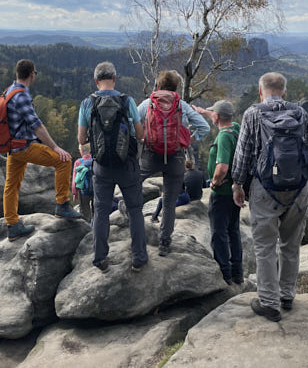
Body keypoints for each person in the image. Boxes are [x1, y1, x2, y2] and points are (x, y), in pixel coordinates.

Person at [231, 72, 308, 322]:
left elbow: (243, 154)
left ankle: (269, 302)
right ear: (284, 92)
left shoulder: (253, 113)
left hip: (265, 189)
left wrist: (237, 185)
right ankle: (287, 295)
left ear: (261, 91)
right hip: (298, 189)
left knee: (265, 246)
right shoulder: (300, 113)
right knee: (291, 244)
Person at [77, 61, 148, 273]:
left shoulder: (87, 103)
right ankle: (139, 258)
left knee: (100, 210)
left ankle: (100, 259)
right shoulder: (127, 101)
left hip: (101, 166)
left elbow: (82, 138)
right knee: (135, 210)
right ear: (115, 79)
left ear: (96, 81)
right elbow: (141, 134)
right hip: (128, 165)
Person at [2, 59, 82, 242]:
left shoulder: (9, 90)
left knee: (11, 186)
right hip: (23, 147)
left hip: (12, 147)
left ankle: (12, 226)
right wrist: (55, 147)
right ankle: (62, 205)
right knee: (64, 160)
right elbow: (36, 125)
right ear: (32, 74)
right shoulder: (21, 96)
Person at [137, 70, 210, 256]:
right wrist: (188, 139)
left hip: (151, 155)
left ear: (158, 86)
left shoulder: (148, 103)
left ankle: (129, 215)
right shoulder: (182, 105)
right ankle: (164, 243)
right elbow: (205, 127)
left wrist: (143, 139)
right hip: (176, 157)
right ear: (176, 87)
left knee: (133, 183)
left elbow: (133, 125)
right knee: (169, 202)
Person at [198, 100, 243, 285]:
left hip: (222, 192)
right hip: (235, 189)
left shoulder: (224, 137)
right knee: (233, 230)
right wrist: (203, 111)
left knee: (219, 233)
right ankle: (237, 272)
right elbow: (220, 115)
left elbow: (222, 167)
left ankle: (224, 274)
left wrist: (214, 183)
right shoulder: (237, 128)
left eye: (213, 113)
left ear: (217, 117)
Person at [72, 143, 94, 222]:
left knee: (85, 210)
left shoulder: (78, 162)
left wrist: (75, 193)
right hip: (96, 189)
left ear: (81, 150)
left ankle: (87, 226)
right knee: (97, 210)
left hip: (83, 190)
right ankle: (95, 225)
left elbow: (75, 178)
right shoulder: (95, 160)